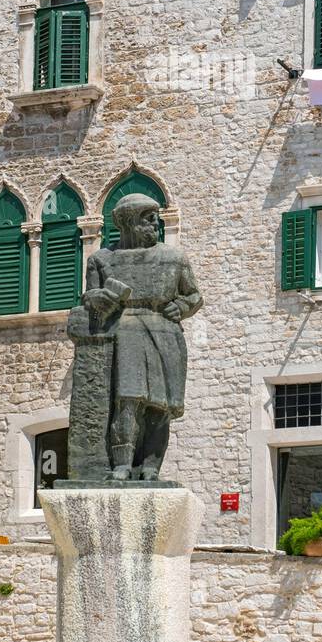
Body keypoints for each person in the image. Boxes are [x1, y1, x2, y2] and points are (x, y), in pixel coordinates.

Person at [82, 193, 203, 481]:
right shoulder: (101, 260)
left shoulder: (173, 258)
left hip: (164, 331)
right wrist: (100, 297)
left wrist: (182, 306)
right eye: (148, 219)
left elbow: (194, 295)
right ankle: (122, 465)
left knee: (160, 406)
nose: (155, 225)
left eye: (156, 219)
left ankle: (151, 468)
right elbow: (88, 297)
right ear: (128, 222)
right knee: (128, 401)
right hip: (125, 330)